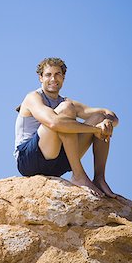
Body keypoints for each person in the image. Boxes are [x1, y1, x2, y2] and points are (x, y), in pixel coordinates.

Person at [14, 57, 119, 197]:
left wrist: (107, 123)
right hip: (29, 160)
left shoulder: (65, 101)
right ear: (40, 78)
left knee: (100, 118)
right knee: (66, 111)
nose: (53, 78)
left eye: (58, 74)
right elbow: (53, 123)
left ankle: (99, 178)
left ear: (63, 78)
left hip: (57, 164)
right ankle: (79, 175)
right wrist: (97, 130)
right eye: (48, 74)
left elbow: (107, 114)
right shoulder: (33, 98)